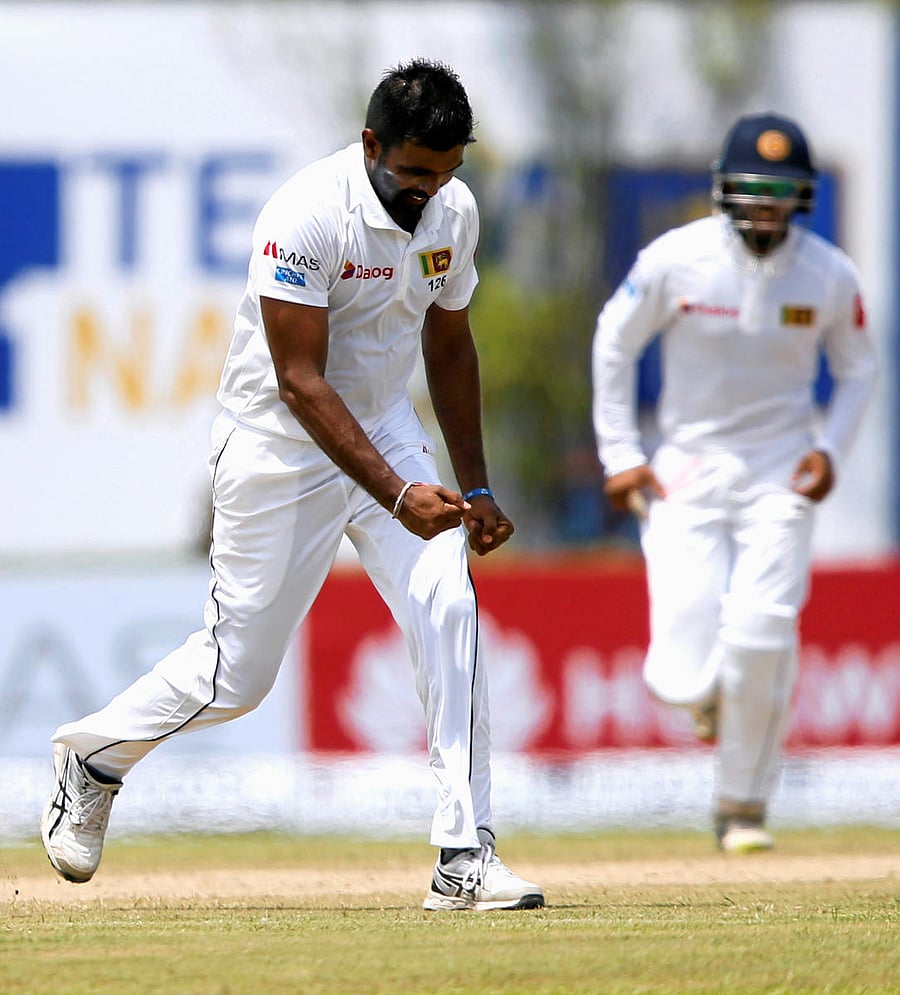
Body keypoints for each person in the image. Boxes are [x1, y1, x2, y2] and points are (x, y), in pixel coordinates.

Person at [41, 58, 544, 912]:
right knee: (238, 677)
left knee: (449, 605)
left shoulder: (452, 211)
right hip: (279, 444)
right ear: (371, 145)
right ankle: (92, 758)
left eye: (447, 172)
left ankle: (464, 855)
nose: (430, 190)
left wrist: (478, 486)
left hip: (385, 427)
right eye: (415, 171)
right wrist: (395, 494)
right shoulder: (306, 213)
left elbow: (450, 344)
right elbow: (300, 380)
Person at [591, 113, 877, 852]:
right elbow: (614, 343)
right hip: (687, 465)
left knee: (762, 628)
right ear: (724, 190)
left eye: (780, 192)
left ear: (802, 198)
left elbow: (859, 367)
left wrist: (832, 451)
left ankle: (742, 806)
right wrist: (622, 453)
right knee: (677, 680)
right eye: (751, 189)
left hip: (780, 470)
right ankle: (710, 692)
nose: (764, 206)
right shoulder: (675, 259)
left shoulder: (828, 273)